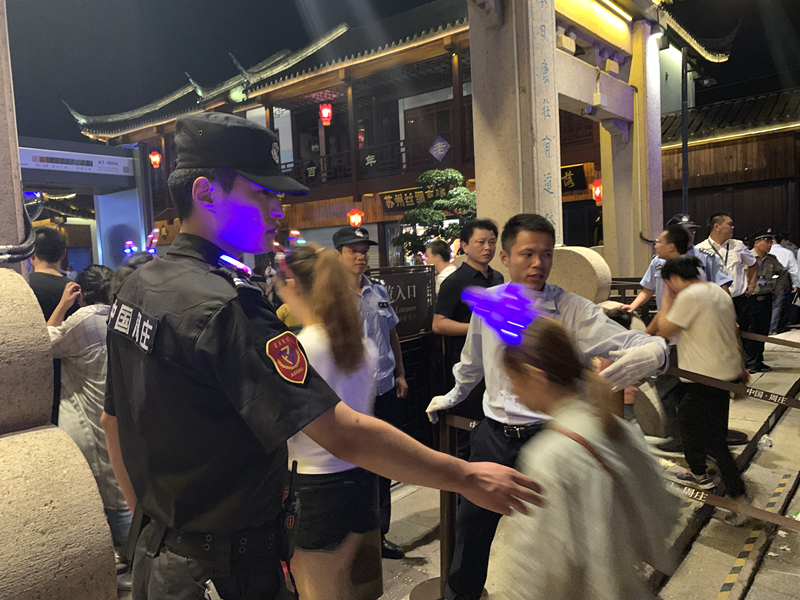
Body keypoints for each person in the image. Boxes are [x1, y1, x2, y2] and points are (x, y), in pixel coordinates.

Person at [101, 112, 540, 600]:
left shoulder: (138, 286)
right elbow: (339, 431)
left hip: (159, 559)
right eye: (262, 193)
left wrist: (155, 525)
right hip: (226, 567)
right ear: (205, 193)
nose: (277, 210)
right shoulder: (227, 306)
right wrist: (465, 475)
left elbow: (112, 421)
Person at [426, 213, 669, 600]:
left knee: (560, 533)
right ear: (505, 257)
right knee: (472, 526)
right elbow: (472, 363)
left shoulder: (572, 309)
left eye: (545, 254)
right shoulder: (490, 303)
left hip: (548, 433)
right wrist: (452, 395)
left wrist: (656, 352)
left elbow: (635, 343)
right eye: (527, 254)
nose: (538, 263)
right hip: (493, 434)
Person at [498, 318, 675, 600]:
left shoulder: (548, 456)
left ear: (535, 376)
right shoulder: (618, 429)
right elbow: (664, 510)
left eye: (513, 380)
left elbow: (537, 570)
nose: (511, 391)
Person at [274, 243, 380, 600]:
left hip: (313, 488)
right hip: (360, 479)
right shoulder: (362, 347)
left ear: (292, 283)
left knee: (316, 590)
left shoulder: (296, 350)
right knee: (340, 586)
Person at [47, 265, 133, 589]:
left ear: (81, 292)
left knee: (108, 497)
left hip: (90, 420)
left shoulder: (83, 319)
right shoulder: (121, 317)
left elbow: (43, 342)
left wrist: (62, 306)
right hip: (120, 416)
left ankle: (127, 568)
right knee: (122, 488)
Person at [647, 257, 751, 523]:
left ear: (673, 279)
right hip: (724, 373)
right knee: (691, 423)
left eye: (667, 283)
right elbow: (735, 331)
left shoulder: (690, 296)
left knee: (710, 438)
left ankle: (739, 498)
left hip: (705, 377)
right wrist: (741, 368)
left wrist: (668, 298)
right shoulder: (717, 291)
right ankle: (698, 471)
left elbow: (665, 329)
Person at [332, 224, 409, 559]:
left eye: (364, 251)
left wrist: (401, 374)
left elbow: (392, 334)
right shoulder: (332, 298)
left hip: (385, 388)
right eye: (354, 251)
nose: (361, 257)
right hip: (351, 395)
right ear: (338, 256)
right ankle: (353, 537)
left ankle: (380, 535)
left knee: (385, 462)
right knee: (354, 465)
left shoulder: (378, 290)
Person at [432, 219, 504, 459]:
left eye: (492, 242)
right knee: (468, 428)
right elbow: (438, 324)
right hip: (467, 365)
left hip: (496, 363)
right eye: (481, 242)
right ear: (464, 246)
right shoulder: (455, 281)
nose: (487, 247)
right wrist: (477, 328)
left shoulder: (498, 278)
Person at [28, 226, 78, 425]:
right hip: (68, 375)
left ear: (31, 254)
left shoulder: (22, 288)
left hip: (31, 372)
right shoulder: (74, 290)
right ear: (62, 254)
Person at [623, 224, 691, 314]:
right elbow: (648, 289)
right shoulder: (657, 262)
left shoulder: (691, 268)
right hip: (663, 316)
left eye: (659, 242)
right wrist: (632, 306)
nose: (656, 246)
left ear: (671, 247)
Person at [742, 230, 784, 373]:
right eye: (767, 242)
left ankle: (758, 361)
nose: (770, 245)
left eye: (771, 242)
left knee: (763, 331)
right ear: (756, 243)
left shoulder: (771, 259)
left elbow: (783, 273)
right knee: (750, 331)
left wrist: (777, 291)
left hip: (766, 298)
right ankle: (749, 362)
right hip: (750, 299)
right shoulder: (746, 257)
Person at [667, 213, 731, 291]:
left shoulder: (707, 258)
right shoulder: (659, 260)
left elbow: (723, 287)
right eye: (684, 232)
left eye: (692, 231)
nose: (689, 235)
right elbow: (652, 290)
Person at [769, 232, 799, 333]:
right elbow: (794, 270)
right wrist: (795, 284)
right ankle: (772, 328)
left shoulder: (766, 251)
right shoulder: (787, 252)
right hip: (781, 280)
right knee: (777, 305)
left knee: (766, 304)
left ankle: (765, 327)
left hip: (765, 279)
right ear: (781, 241)